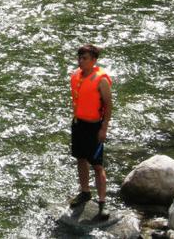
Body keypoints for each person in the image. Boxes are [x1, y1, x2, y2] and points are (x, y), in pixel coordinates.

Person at [69, 43, 112, 221]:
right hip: (79, 124)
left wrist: (104, 128)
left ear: (93, 60)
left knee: (97, 164)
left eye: (84, 58)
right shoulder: (77, 75)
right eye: (79, 57)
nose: (80, 61)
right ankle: (85, 192)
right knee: (80, 158)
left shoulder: (101, 79)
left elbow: (109, 105)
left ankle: (102, 203)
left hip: (94, 126)